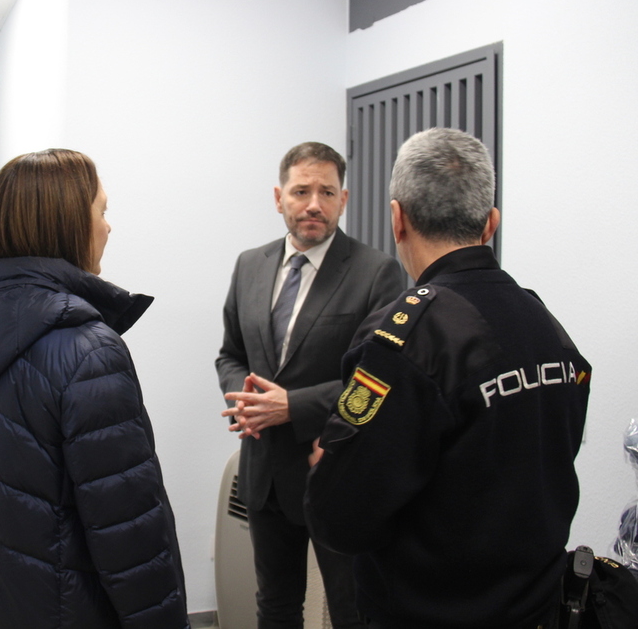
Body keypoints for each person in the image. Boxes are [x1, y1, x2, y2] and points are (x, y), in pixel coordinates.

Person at [304, 128, 591, 628]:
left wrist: (331, 462)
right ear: (490, 223)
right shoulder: (544, 324)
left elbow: (339, 518)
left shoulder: (405, 338)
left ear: (397, 220)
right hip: (539, 610)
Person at [0, 148, 189, 628]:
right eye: (102, 211)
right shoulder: (87, 350)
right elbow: (130, 531)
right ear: (68, 225)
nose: (108, 226)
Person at [217, 142, 404, 628]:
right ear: (279, 197)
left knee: (351, 609)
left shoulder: (376, 272)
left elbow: (379, 379)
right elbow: (231, 353)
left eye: (326, 191)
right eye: (301, 191)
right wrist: (246, 397)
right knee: (275, 606)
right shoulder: (249, 265)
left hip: (338, 470)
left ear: (344, 198)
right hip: (266, 474)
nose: (313, 204)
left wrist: (292, 405)